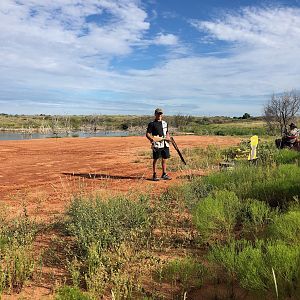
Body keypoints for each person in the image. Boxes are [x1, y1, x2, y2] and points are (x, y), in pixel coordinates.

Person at [146, 108, 171, 181]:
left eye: (161, 114)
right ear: (155, 114)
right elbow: (147, 134)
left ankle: (164, 174)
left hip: (165, 144)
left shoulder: (165, 123)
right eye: (158, 113)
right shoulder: (152, 124)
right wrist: (152, 140)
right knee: (156, 159)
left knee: (164, 159)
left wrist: (168, 138)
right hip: (157, 144)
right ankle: (154, 174)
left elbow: (167, 132)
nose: (160, 115)